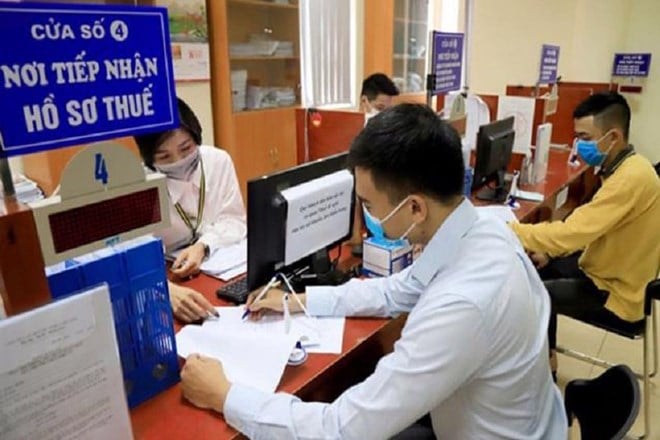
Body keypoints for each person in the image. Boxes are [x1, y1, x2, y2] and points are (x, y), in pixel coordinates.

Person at [180, 104, 566, 439]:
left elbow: (340, 429)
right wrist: (300, 300)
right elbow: (398, 290)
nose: (367, 216)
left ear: (415, 208)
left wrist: (225, 395)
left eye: (368, 203)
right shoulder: (485, 229)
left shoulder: (461, 305)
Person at [510, 92, 660, 376]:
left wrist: (508, 230)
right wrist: (549, 251)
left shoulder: (630, 179)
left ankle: (543, 374)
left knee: (533, 292)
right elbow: (589, 229)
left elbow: (572, 233)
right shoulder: (625, 168)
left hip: (617, 291)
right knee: (537, 269)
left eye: (585, 137)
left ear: (613, 137)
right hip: (608, 268)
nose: (579, 145)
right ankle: (547, 358)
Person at [134, 98, 246, 323]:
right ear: (148, 159)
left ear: (197, 137)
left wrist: (203, 246)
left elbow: (234, 220)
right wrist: (163, 288)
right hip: (165, 279)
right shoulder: (139, 184)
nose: (179, 161)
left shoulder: (217, 161)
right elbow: (132, 254)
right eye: (164, 157)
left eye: (186, 149)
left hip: (213, 272)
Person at [351, 73, 400, 254]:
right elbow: (356, 191)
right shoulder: (357, 141)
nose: (384, 116)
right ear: (365, 101)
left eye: (388, 111)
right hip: (374, 227)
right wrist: (356, 233)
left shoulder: (388, 136)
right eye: (380, 108)